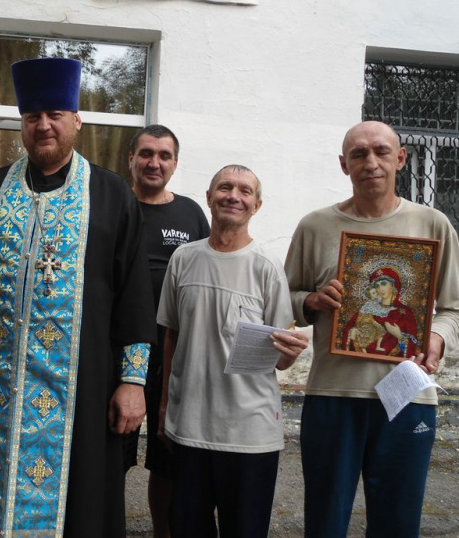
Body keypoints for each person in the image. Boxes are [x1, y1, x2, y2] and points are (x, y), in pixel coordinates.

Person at [0, 58, 155, 537]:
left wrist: (133, 381)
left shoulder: (111, 194)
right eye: (33, 116)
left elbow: (135, 296)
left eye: (55, 114)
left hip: (82, 389)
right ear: (22, 124)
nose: (44, 125)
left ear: (77, 120)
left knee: (80, 506)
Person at [285, 120, 459, 537]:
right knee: (325, 520)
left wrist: (436, 338)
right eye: (359, 153)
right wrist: (312, 301)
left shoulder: (433, 224)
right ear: (343, 164)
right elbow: (283, 301)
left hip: (408, 397)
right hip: (333, 395)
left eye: (381, 151)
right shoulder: (315, 226)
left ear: (401, 158)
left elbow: (453, 308)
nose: (371, 162)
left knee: (398, 521)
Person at [156, 164, 309, 538]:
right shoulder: (183, 258)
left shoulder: (267, 267)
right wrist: (163, 406)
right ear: (209, 197)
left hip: (250, 433)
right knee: (186, 528)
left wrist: (291, 352)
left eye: (245, 191)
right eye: (225, 188)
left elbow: (281, 355)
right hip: (189, 427)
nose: (233, 196)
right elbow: (171, 336)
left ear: (257, 205)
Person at [122, 124, 210, 538]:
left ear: (175, 163)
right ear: (131, 159)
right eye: (145, 154)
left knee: (169, 460)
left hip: (174, 355)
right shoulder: (113, 204)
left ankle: (163, 533)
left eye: (164, 155)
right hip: (118, 352)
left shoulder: (190, 213)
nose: (154, 162)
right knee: (112, 453)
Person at [342, 266, 418, 356]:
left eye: (384, 284)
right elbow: (348, 330)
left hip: (393, 362)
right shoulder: (367, 309)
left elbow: (414, 346)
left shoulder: (405, 313)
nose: (380, 289)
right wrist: (353, 331)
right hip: (359, 359)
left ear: (393, 285)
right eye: (377, 286)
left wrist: (399, 336)